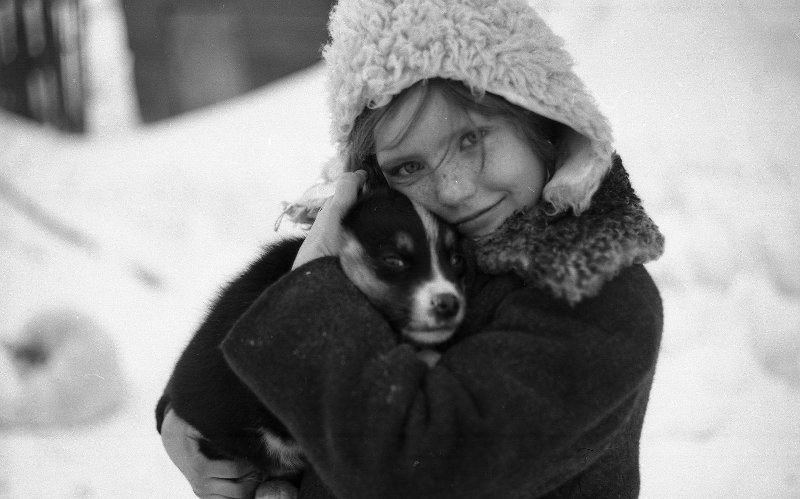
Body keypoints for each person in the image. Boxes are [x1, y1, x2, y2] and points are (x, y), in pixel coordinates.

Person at [158, 0, 665, 497]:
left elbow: (418, 468)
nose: (453, 188)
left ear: (543, 123)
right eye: (408, 167)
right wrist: (183, 423)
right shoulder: (404, 256)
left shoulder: (598, 296)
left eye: (471, 139)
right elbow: (233, 339)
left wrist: (309, 289)